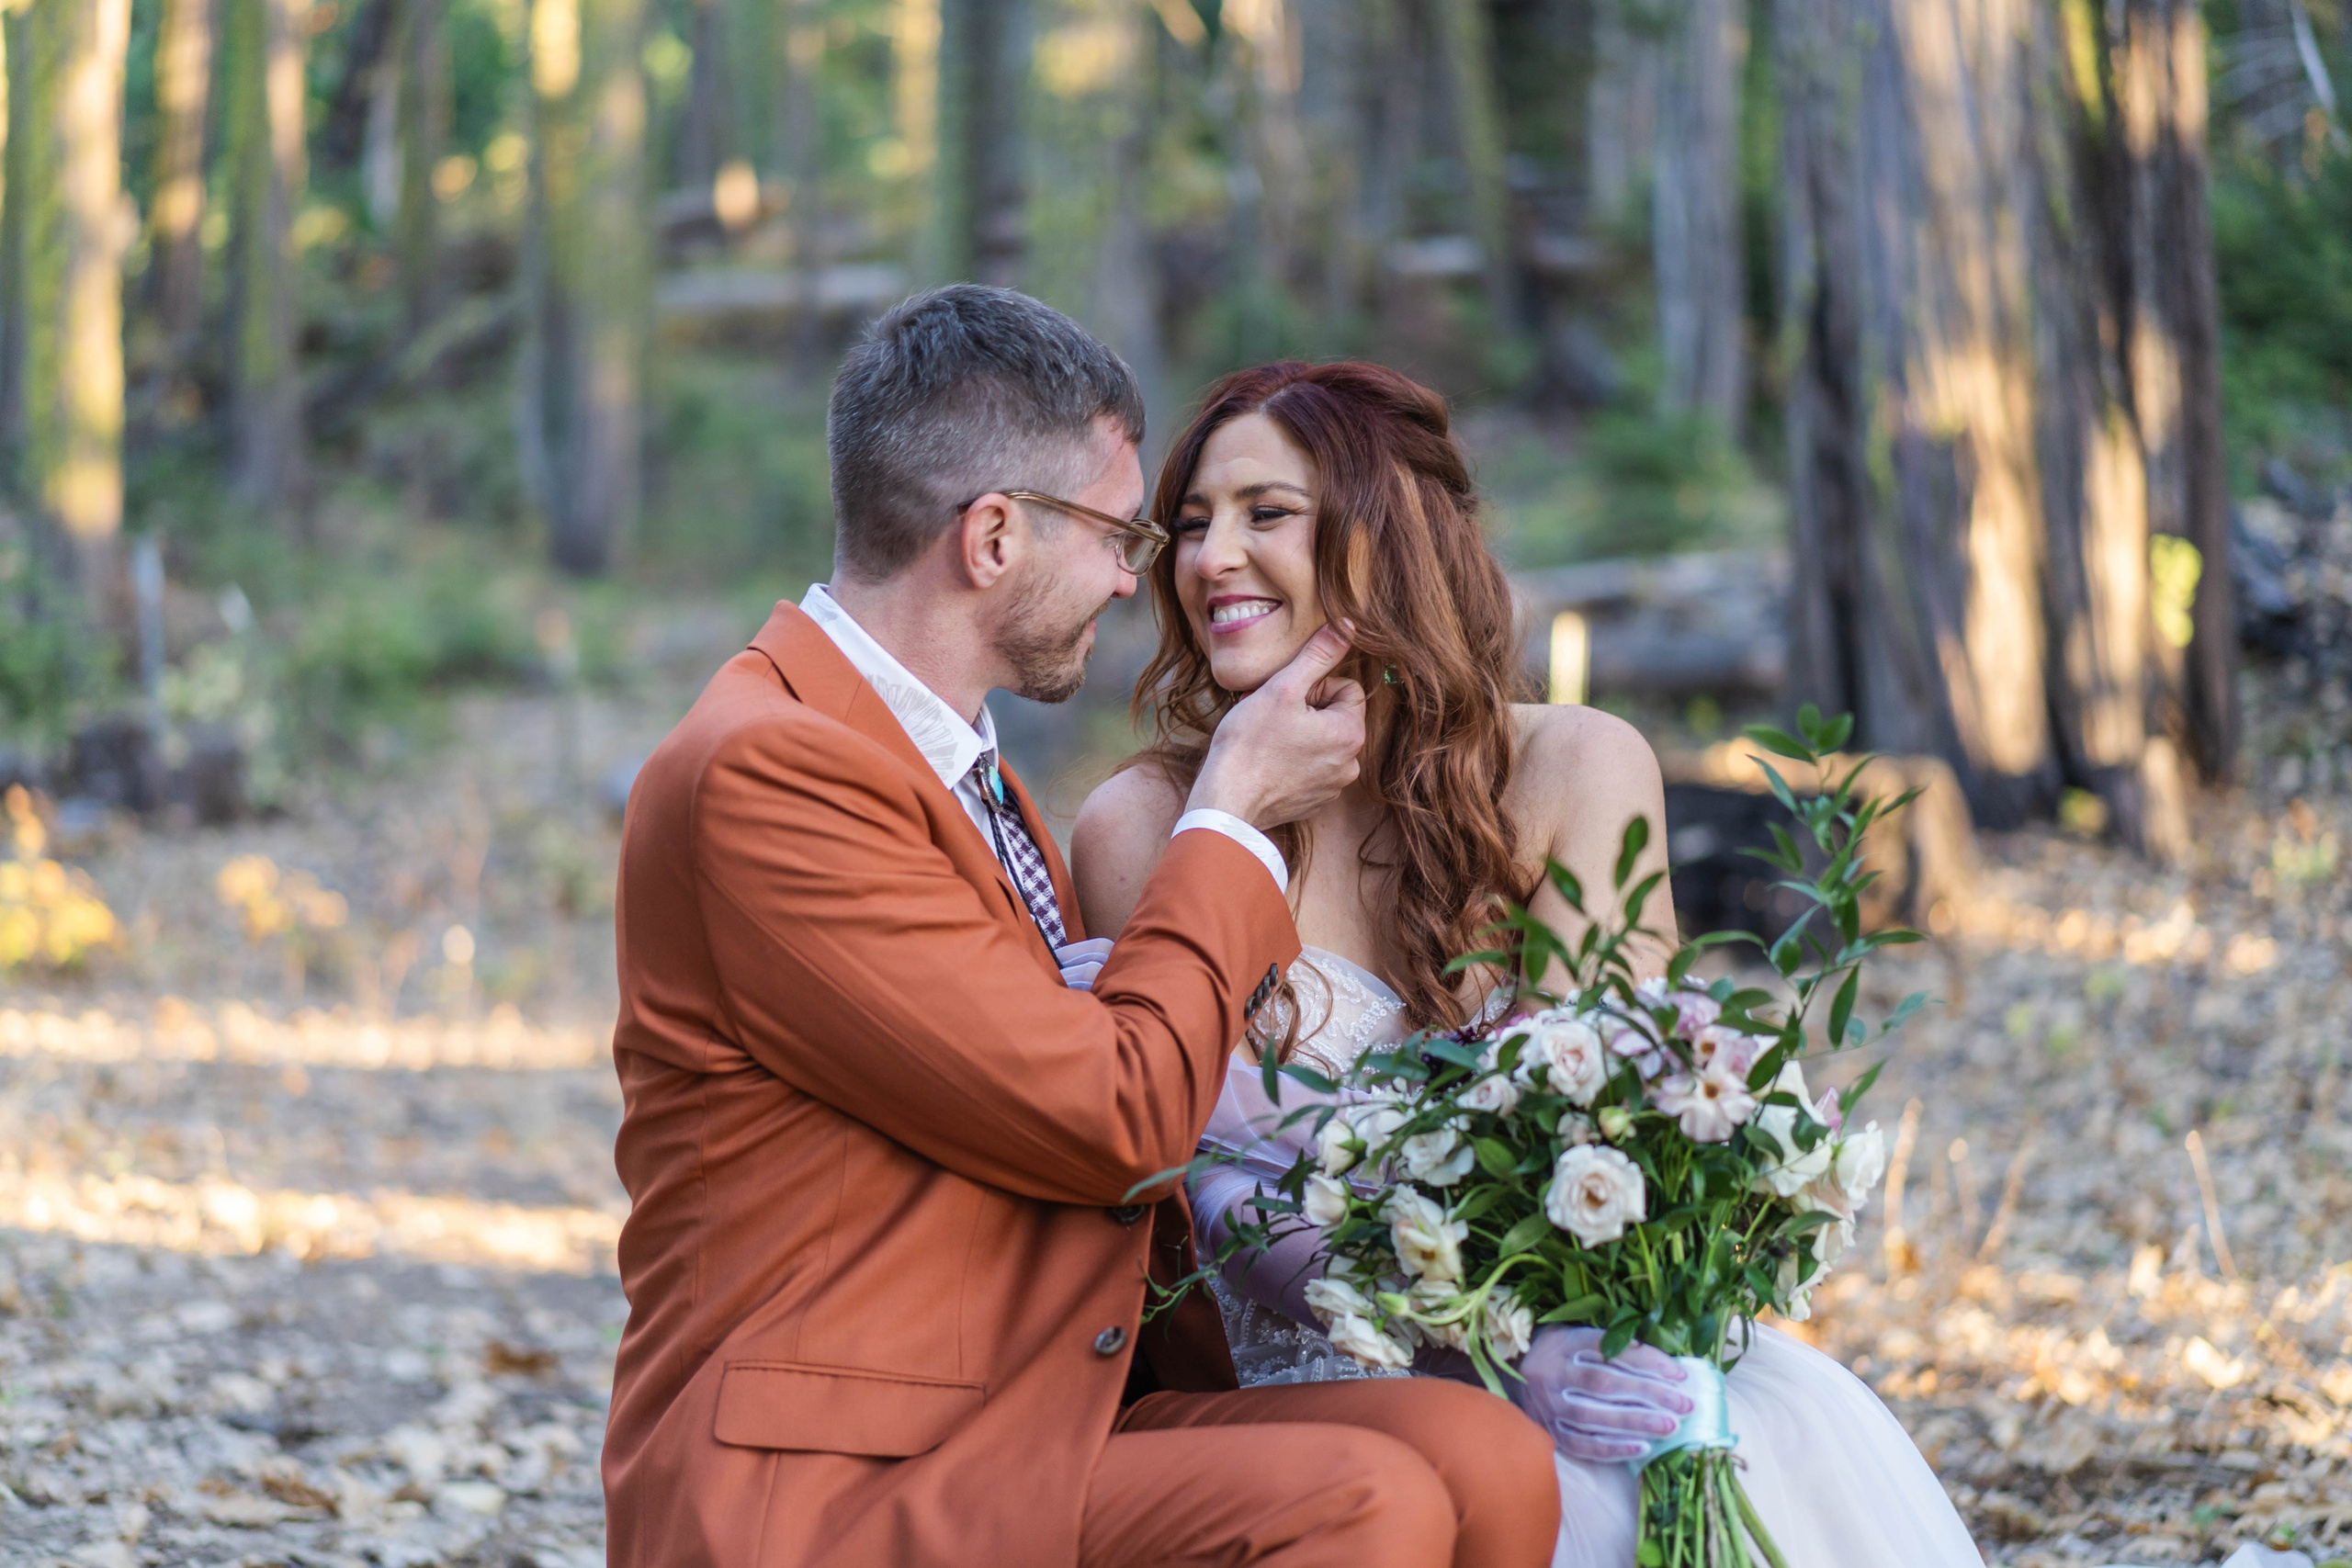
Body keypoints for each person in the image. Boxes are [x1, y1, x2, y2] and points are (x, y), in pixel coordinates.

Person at [601, 289, 1561, 1568]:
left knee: (1484, 1450)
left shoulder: (948, 766)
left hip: (1016, 1408)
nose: (1138, 573)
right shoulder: (771, 772)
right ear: (993, 536)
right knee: (1358, 1500)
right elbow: (1113, 1119)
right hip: (828, 1479)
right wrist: (1228, 810)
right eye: (1120, 532)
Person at [1072, 360, 1985, 1567]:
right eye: (1190, 526)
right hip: (1312, 1390)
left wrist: (1550, 1339)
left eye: (1266, 515)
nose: (1209, 558)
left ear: (1384, 537)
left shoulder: (1571, 769)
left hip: (1588, 1345)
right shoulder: (1141, 826)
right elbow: (1204, 1187)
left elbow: (1607, 1129)